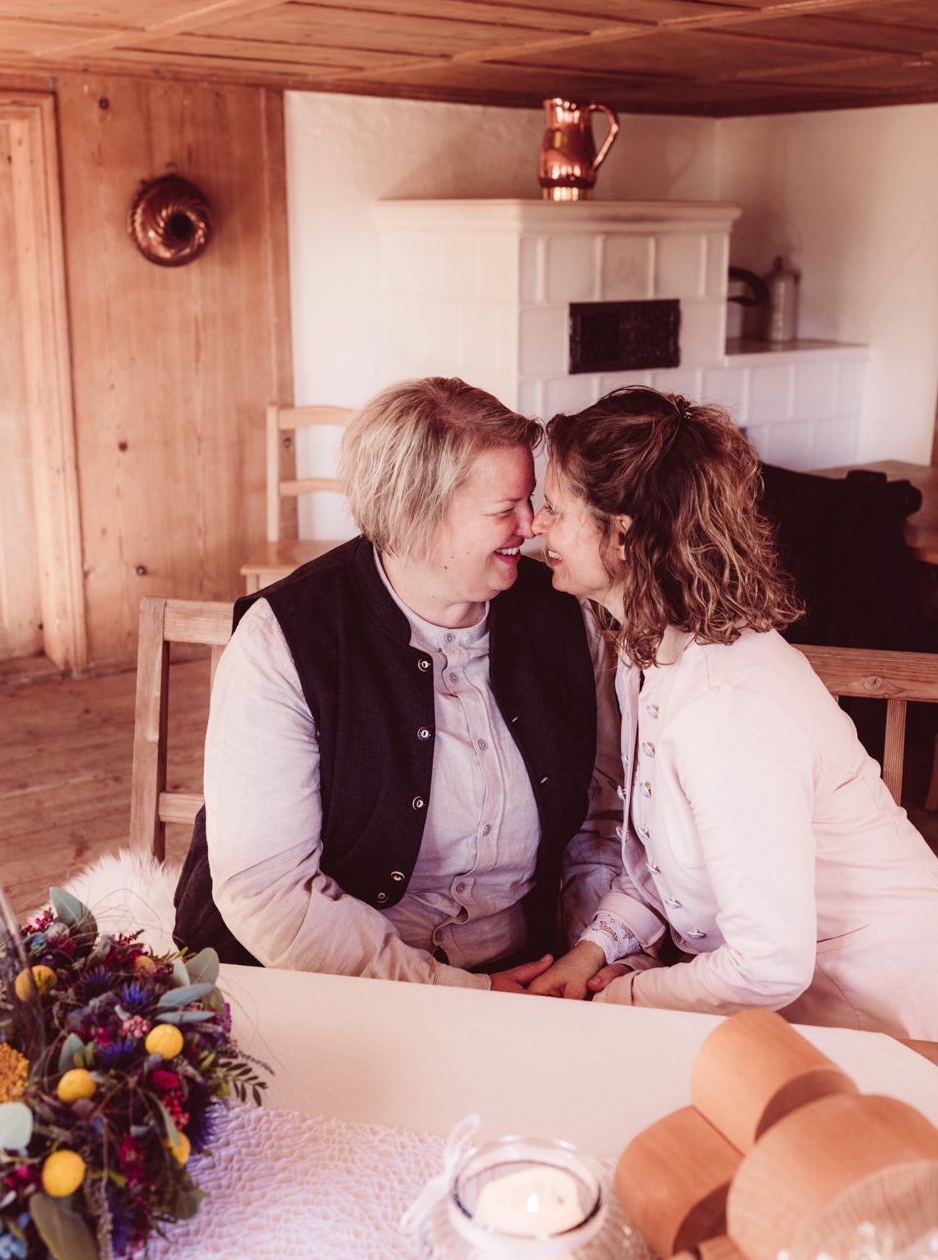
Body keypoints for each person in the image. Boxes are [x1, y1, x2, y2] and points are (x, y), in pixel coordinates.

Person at [527, 386, 938, 1043]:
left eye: (556, 507)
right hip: (816, 1023)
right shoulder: (651, 651)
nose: (538, 524)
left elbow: (769, 965)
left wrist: (626, 994)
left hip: (919, 1037)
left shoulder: (724, 711)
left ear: (621, 535)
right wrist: (591, 952)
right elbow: (669, 860)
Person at [173, 377, 622, 991]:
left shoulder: (566, 617)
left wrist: (588, 957)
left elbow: (604, 822)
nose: (534, 525)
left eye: (532, 500)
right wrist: (461, 994)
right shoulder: (286, 637)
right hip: (329, 984)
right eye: (504, 510)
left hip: (532, 979)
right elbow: (268, 887)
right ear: (414, 515)